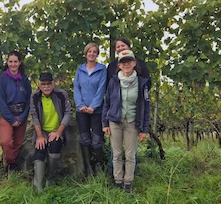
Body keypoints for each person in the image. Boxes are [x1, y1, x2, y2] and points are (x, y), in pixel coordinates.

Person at [102, 49, 150, 193]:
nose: (126, 64)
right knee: (116, 154)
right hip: (115, 121)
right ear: (119, 65)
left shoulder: (142, 83)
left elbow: (146, 106)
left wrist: (144, 129)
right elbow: (107, 103)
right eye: (123, 61)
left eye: (129, 61)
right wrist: (105, 123)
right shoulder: (113, 81)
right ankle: (118, 182)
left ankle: (128, 183)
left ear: (134, 63)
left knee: (130, 155)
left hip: (132, 122)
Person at [30, 72, 72, 191]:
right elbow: (34, 116)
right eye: (43, 84)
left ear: (53, 84)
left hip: (57, 130)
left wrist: (58, 132)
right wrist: (39, 136)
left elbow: (68, 113)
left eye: (49, 84)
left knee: (55, 146)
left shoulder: (61, 95)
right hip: (42, 131)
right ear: (39, 85)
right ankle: (38, 185)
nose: (46, 86)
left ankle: (50, 178)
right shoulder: (34, 96)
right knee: (40, 149)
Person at [73, 43, 106, 177]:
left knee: (97, 140)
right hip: (82, 110)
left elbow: (101, 89)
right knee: (85, 138)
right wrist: (80, 105)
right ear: (85, 53)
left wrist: (93, 106)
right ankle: (88, 167)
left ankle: (98, 166)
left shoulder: (102, 69)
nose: (91, 54)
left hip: (96, 111)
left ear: (97, 54)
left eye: (94, 52)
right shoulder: (80, 70)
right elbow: (77, 89)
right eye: (89, 51)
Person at [0, 51, 32, 173]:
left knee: (17, 143)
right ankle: (10, 163)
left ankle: (13, 168)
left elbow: (29, 100)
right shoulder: (2, 79)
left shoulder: (24, 79)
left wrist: (22, 118)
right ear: (7, 63)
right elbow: (1, 100)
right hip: (8, 115)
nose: (13, 64)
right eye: (10, 61)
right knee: (6, 141)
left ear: (20, 62)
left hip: (21, 115)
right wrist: (11, 119)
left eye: (15, 61)